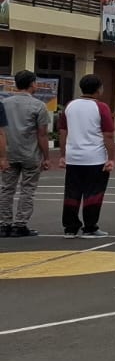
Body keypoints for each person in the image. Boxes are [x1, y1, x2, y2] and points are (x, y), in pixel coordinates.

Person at [60, 74, 115, 238]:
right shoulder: (101, 107)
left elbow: (63, 131)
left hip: (73, 156)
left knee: (72, 192)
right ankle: (90, 227)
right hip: (95, 157)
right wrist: (111, 158)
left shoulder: (70, 106)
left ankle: (70, 227)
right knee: (94, 193)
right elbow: (108, 135)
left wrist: (63, 154)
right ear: (98, 89)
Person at [0, 69, 52, 237]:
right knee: (27, 189)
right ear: (32, 84)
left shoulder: (4, 103)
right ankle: (20, 224)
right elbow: (42, 134)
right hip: (30, 153)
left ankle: (4, 223)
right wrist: (46, 157)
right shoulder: (39, 105)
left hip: (9, 152)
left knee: (7, 189)